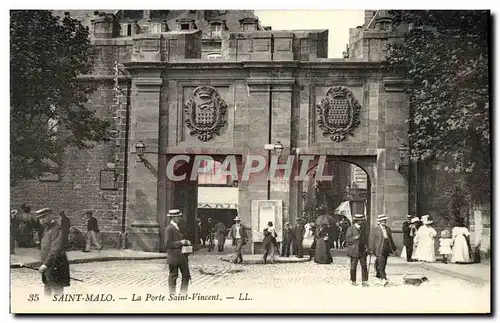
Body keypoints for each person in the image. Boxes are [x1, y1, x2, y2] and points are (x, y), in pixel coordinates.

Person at [36, 208, 70, 296]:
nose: (41, 220)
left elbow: (55, 249)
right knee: (47, 290)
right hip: (49, 268)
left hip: (56, 266)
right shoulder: (47, 229)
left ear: (50, 216)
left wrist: (46, 264)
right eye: (39, 218)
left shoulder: (57, 229)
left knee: (57, 292)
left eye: (43, 217)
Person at [164, 209, 191, 295]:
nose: (179, 218)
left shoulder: (179, 226)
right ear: (173, 217)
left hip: (182, 257)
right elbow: (167, 244)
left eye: (179, 216)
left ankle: (183, 294)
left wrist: (186, 241)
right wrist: (181, 242)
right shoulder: (169, 229)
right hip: (173, 257)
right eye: (178, 216)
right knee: (173, 276)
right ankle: (172, 295)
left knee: (186, 276)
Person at [370, 214, 396, 287]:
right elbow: (372, 240)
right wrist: (371, 249)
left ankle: (379, 277)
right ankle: (384, 279)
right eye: (382, 220)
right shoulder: (376, 229)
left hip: (386, 249)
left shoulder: (388, 229)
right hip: (379, 249)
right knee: (381, 264)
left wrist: (394, 248)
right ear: (380, 221)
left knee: (383, 264)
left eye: (385, 220)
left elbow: (391, 239)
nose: (384, 221)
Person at [345, 214, 369, 287]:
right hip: (354, 250)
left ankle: (364, 281)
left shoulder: (364, 228)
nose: (361, 221)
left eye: (362, 220)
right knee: (353, 266)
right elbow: (347, 239)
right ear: (356, 221)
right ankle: (353, 280)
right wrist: (354, 238)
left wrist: (367, 247)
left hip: (362, 250)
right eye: (360, 220)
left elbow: (366, 239)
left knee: (364, 266)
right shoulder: (351, 228)